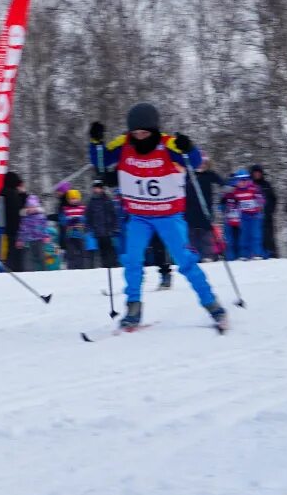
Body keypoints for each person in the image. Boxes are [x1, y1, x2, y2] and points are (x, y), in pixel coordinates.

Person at [87, 104, 228, 331]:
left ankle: (211, 304)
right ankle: (133, 308)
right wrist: (95, 142)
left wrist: (188, 147)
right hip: (138, 216)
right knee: (132, 260)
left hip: (168, 215)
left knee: (185, 260)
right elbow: (100, 161)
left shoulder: (168, 143)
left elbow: (194, 161)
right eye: (136, 133)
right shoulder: (123, 143)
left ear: (154, 129)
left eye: (145, 133)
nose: (140, 137)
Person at [226, 169, 266, 259]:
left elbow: (261, 199)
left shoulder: (253, 188)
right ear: (236, 181)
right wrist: (231, 204)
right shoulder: (235, 191)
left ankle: (256, 253)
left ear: (248, 180)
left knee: (255, 235)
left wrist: (259, 202)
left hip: (255, 215)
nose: (243, 183)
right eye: (240, 181)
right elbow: (232, 202)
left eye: (245, 180)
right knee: (244, 235)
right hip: (244, 216)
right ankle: (245, 254)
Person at [85, 180, 121, 270]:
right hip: (98, 230)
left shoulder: (108, 200)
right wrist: (90, 228)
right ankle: (105, 266)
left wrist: (115, 227)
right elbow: (88, 216)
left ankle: (113, 264)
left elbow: (113, 214)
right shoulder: (91, 202)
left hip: (108, 230)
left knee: (110, 248)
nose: (96, 190)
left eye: (98, 188)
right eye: (95, 188)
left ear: (102, 189)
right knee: (102, 249)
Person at [0, 171, 26, 270]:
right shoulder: (11, 193)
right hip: (14, 228)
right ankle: (15, 269)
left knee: (8, 251)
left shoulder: (2, 192)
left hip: (4, 227)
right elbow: (19, 208)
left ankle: (8, 268)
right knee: (14, 252)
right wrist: (23, 194)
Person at [15, 194, 49, 271]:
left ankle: (44, 271)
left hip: (39, 239)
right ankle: (28, 271)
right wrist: (20, 240)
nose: (31, 209)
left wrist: (46, 235)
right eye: (29, 206)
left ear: (37, 206)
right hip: (27, 241)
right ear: (27, 207)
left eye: (33, 206)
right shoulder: (25, 217)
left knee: (41, 256)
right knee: (28, 257)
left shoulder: (41, 216)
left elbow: (45, 227)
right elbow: (22, 229)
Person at [58, 188, 90, 270]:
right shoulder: (65, 209)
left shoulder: (82, 208)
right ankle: (72, 268)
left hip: (80, 234)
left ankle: (82, 267)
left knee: (82, 253)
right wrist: (69, 221)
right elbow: (62, 220)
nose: (73, 200)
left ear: (78, 198)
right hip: (70, 234)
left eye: (75, 198)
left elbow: (87, 218)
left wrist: (80, 219)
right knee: (71, 253)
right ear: (68, 200)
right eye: (71, 199)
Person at [252, 164, 279, 258]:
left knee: (268, 236)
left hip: (266, 215)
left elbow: (274, 198)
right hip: (253, 216)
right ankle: (258, 254)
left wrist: (270, 210)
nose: (257, 175)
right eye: (255, 173)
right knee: (256, 236)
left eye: (258, 173)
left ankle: (272, 254)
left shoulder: (266, 184)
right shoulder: (249, 185)